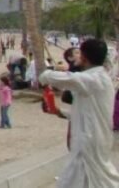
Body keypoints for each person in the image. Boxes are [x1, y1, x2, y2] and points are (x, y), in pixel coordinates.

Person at [38, 38, 119, 187]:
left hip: (90, 140)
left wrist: (46, 74)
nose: (75, 56)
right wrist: (58, 111)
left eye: (78, 52)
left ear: (84, 57)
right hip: (88, 139)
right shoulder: (93, 79)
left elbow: (62, 79)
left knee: (100, 180)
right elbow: (85, 113)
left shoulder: (95, 79)